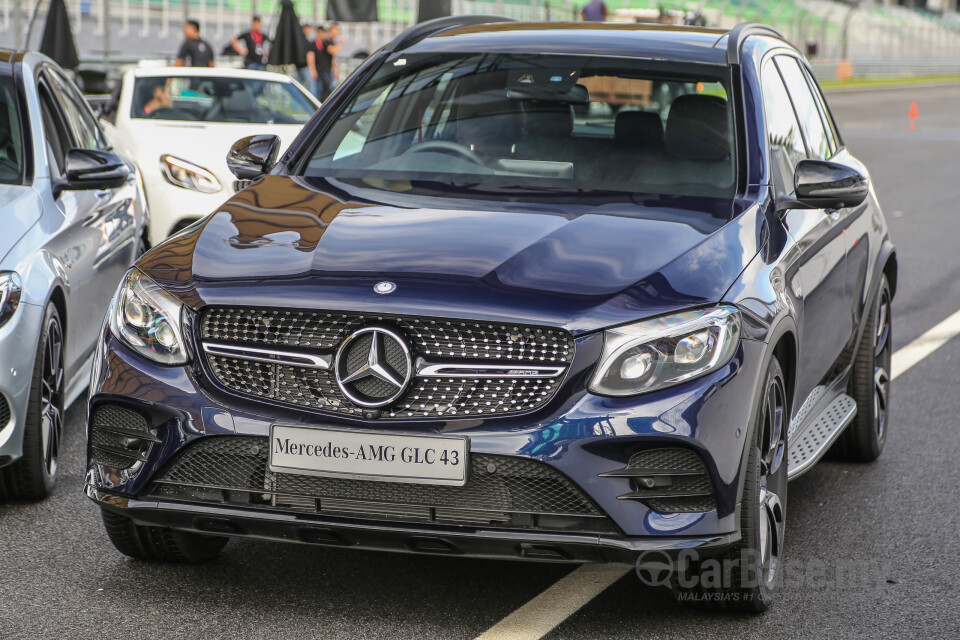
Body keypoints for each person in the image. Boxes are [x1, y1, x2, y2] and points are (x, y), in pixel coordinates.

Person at [297, 23, 316, 94]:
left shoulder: (300, 40)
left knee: (299, 86)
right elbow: (309, 55)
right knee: (311, 87)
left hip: (300, 66)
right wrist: (312, 69)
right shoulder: (306, 41)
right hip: (305, 67)